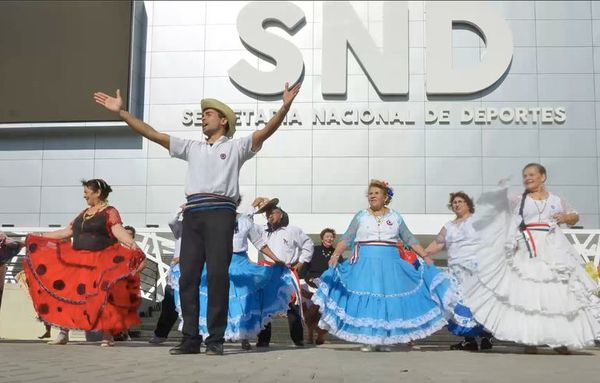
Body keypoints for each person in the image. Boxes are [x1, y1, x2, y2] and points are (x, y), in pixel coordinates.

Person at [94, 82, 301, 355]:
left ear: (223, 121)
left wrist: (284, 106)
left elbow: (266, 131)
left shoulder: (237, 147)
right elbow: (153, 134)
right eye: (203, 114)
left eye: (209, 114)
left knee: (217, 276)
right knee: (187, 277)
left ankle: (215, 340)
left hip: (221, 213)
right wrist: (123, 113)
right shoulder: (192, 147)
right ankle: (190, 338)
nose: (203, 117)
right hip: (193, 213)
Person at [461, 163, 600, 354]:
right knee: (529, 293)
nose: (527, 178)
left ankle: (560, 339)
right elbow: (498, 208)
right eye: (525, 175)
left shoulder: (557, 200)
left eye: (532, 174)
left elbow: (575, 216)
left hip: (554, 249)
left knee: (558, 293)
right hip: (528, 247)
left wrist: (566, 217)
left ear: (543, 177)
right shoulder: (519, 200)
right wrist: (500, 191)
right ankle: (530, 339)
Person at [313, 180, 458, 352]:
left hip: (391, 265)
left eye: (376, 193)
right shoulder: (361, 216)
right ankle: (370, 339)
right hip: (365, 263)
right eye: (370, 193)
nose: (372, 196)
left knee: (387, 299)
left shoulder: (395, 217)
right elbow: (347, 237)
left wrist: (425, 256)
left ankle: (384, 340)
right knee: (369, 298)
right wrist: (336, 254)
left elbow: (409, 239)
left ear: (385, 197)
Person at [22, 179, 145, 347]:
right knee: (70, 295)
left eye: (87, 191)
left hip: (100, 262)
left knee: (103, 297)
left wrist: (133, 245)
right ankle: (63, 332)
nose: (84, 195)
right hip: (76, 262)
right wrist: (40, 236)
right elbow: (67, 232)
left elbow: (118, 230)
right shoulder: (83, 213)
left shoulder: (110, 212)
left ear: (98, 193)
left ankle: (107, 334)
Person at [172, 202, 295, 350]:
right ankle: (214, 336)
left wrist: (276, 259)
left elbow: (259, 243)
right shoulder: (213, 221)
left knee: (241, 304)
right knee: (214, 300)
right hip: (217, 261)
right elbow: (200, 241)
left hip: (240, 264)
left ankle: (243, 336)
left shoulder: (245, 221)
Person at [425, 192, 493, 351]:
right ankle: (469, 339)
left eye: (460, 201)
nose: (457, 204)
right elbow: (437, 243)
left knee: (478, 303)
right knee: (457, 303)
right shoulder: (448, 226)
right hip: (455, 270)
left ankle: (486, 337)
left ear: (468, 204)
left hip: (476, 268)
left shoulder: (477, 220)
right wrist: (422, 253)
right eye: (454, 202)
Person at [254, 198, 314, 348]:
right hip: (268, 271)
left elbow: (308, 244)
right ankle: (263, 339)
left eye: (272, 213)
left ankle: (298, 339)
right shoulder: (262, 230)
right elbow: (245, 224)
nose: (269, 216)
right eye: (267, 214)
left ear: (280, 214)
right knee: (264, 306)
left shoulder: (292, 230)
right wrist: (255, 206)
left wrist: (301, 262)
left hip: (286, 271)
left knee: (292, 306)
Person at [299, 228, 337, 345]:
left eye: (331, 237)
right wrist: (302, 278)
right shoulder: (314, 250)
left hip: (328, 286)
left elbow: (338, 270)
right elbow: (305, 265)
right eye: (327, 236)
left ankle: (321, 335)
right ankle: (310, 333)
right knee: (311, 310)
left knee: (325, 312)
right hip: (311, 283)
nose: (329, 239)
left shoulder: (336, 253)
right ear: (322, 238)